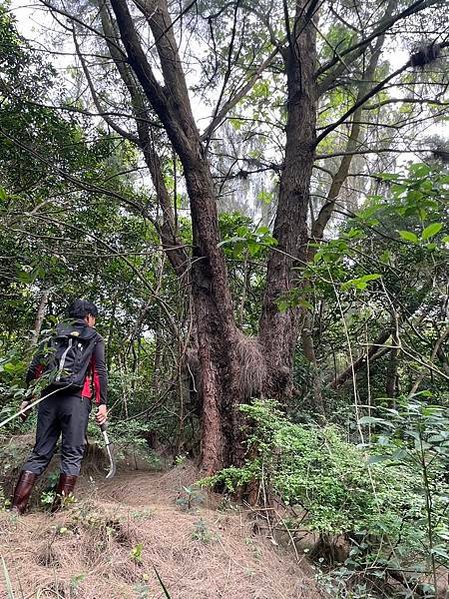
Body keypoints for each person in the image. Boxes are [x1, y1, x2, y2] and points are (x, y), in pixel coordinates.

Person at [11, 299, 108, 514]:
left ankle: (16, 509)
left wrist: (27, 398)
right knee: (72, 455)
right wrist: (102, 404)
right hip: (77, 400)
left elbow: (36, 368)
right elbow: (99, 371)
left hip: (48, 398)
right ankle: (58, 512)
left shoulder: (55, 333)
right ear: (89, 317)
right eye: (93, 319)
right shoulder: (94, 337)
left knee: (39, 453)